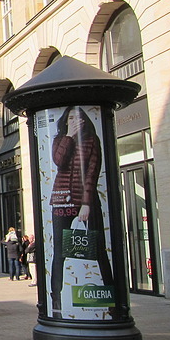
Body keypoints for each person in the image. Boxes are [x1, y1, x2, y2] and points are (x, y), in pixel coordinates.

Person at [49, 106, 113, 317]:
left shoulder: (92, 140)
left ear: (85, 120)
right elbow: (59, 162)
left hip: (86, 200)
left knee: (98, 250)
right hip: (61, 201)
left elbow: (92, 173)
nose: (76, 120)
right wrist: (69, 136)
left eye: (78, 117)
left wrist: (86, 203)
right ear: (66, 121)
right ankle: (55, 303)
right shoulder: (60, 139)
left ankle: (113, 302)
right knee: (59, 252)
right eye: (71, 117)